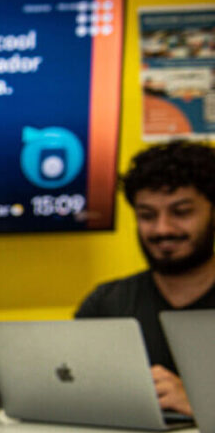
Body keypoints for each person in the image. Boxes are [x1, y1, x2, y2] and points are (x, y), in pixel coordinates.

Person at [75, 140, 215, 417]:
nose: (162, 229)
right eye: (147, 215)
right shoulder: (106, 304)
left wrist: (200, 403)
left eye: (182, 212)